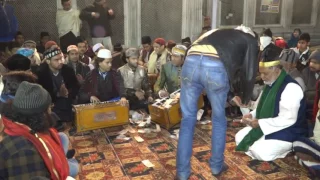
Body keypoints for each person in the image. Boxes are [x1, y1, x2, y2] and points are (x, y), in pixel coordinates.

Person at [176, 25, 259, 180]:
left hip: (190, 62)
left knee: (187, 120)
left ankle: (182, 173)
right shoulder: (249, 40)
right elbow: (249, 72)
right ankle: (216, 165)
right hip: (214, 67)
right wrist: (245, 97)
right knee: (219, 120)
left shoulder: (217, 32)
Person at [235, 47, 308, 161]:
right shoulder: (269, 83)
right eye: (261, 73)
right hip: (269, 124)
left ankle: (290, 148)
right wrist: (252, 115)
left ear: (276, 69)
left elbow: (288, 119)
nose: (262, 77)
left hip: (289, 129)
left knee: (259, 152)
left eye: (265, 73)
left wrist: (260, 123)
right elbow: (261, 107)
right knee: (239, 138)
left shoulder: (291, 87)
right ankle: (262, 142)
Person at [0, 81, 72, 180]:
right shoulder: (24, 151)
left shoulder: (20, 126)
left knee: (62, 137)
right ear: (42, 114)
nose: (51, 110)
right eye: (49, 107)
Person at [36, 47, 80, 130]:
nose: (60, 62)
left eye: (61, 58)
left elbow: (75, 86)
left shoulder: (68, 70)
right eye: (56, 60)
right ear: (48, 61)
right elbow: (41, 93)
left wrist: (68, 93)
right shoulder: (41, 73)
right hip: (50, 102)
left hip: (67, 99)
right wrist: (57, 94)